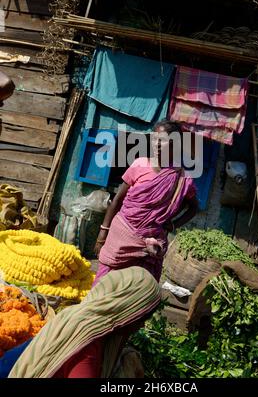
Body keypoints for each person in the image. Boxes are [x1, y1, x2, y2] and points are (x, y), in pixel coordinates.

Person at [94, 119, 198, 285]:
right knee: (104, 284)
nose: (156, 144)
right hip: (121, 235)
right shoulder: (139, 164)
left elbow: (193, 208)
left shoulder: (182, 178)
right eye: (154, 138)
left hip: (150, 244)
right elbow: (117, 201)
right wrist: (102, 233)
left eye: (162, 140)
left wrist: (172, 225)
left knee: (137, 290)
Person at [8, 266, 161, 378]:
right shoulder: (86, 345)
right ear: (124, 309)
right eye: (142, 318)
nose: (141, 326)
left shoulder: (75, 315)